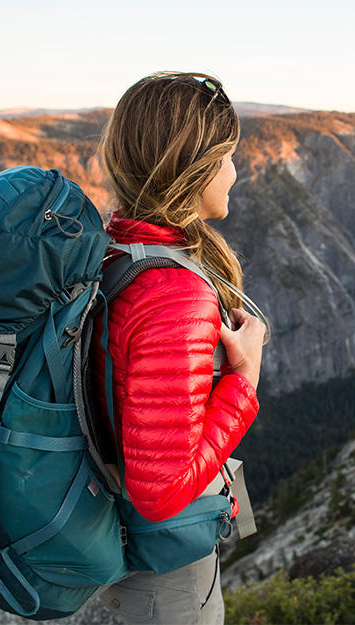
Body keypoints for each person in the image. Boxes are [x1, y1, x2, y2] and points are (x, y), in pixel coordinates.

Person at [93, 71, 266, 625]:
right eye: (229, 156)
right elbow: (161, 493)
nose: (237, 171)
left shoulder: (114, 248)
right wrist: (245, 380)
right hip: (164, 584)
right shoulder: (175, 297)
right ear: (193, 165)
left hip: (123, 546)